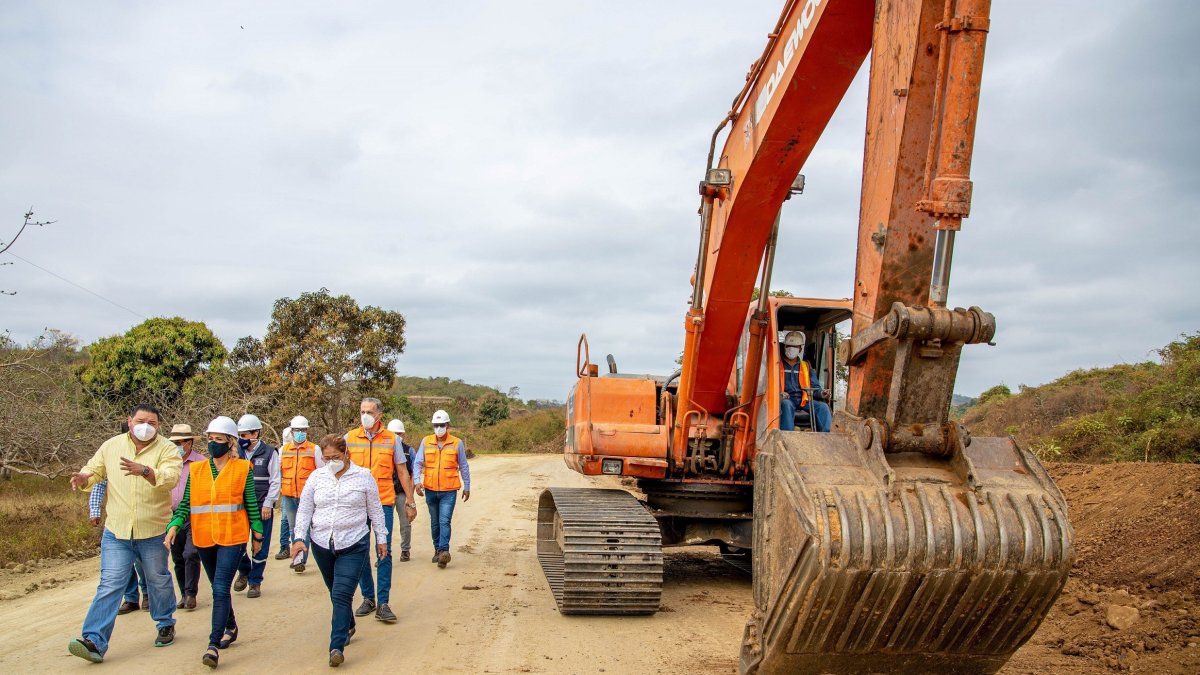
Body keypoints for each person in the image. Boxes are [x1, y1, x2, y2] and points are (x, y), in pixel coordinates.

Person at [67, 404, 182, 663]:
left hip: (153, 530)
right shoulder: (111, 446)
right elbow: (94, 470)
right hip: (117, 531)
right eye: (141, 420)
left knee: (158, 579)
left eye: (152, 422)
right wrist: (83, 478)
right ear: (129, 421)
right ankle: (94, 640)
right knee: (110, 584)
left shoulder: (167, 449)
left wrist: (146, 471)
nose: (146, 426)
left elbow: (171, 477)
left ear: (159, 426)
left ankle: (165, 622)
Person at [165, 416, 264, 669]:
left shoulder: (243, 469)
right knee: (216, 587)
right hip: (204, 538)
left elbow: (251, 505)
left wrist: (258, 535)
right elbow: (186, 504)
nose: (212, 444)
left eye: (218, 440)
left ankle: (212, 644)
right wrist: (174, 525)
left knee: (220, 588)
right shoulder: (197, 470)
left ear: (231, 442)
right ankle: (230, 625)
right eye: (210, 439)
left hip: (232, 538)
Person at [291, 434, 388, 668]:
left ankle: (336, 646)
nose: (331, 461)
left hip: (354, 543)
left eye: (335, 457)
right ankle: (348, 624)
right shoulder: (317, 477)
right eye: (326, 458)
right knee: (334, 590)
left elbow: (375, 510)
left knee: (341, 594)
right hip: (322, 543)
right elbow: (304, 510)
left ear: (346, 454)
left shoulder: (363, 476)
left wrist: (381, 538)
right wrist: (298, 538)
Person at [346, 398, 416, 624]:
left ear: (379, 415)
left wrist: (410, 501)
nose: (364, 414)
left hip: (383, 502)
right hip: (355, 506)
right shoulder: (349, 439)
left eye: (369, 411)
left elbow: (403, 471)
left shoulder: (392, 440)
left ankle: (383, 602)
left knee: (383, 552)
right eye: (362, 411)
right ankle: (368, 597)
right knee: (359, 551)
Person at [413, 409, 471, 569]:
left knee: (444, 520)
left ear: (448, 425)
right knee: (434, 523)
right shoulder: (426, 442)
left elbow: (464, 466)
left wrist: (467, 486)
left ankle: (444, 551)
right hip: (430, 489)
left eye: (442, 425)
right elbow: (418, 463)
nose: (439, 428)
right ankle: (437, 550)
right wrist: (417, 481)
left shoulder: (457, 443)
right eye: (436, 425)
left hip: (449, 490)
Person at [232, 414, 279, 598]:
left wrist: (268, 503)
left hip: (261, 507)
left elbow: (275, 480)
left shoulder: (269, 453)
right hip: (239, 508)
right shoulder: (235, 453)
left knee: (260, 545)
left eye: (246, 435)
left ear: (256, 433)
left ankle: (255, 581)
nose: (242, 439)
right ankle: (244, 570)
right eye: (240, 435)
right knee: (236, 545)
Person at [88, 479, 148, 614]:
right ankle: (131, 598)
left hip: (141, 518)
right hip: (118, 519)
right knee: (120, 563)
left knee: (141, 560)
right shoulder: (110, 458)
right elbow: (99, 484)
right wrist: (95, 510)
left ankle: (147, 592)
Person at [279, 415, 324, 572]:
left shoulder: (314, 449)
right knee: (293, 528)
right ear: (291, 431)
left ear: (307, 431)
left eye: (303, 430)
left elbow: (321, 473)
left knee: (306, 527)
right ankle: (298, 559)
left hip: (308, 497)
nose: (300, 433)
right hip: (289, 495)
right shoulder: (283, 451)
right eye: (297, 430)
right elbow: (279, 473)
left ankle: (301, 559)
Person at [167, 423, 205, 610]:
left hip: (195, 515)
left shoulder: (201, 463)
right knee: (178, 557)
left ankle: (191, 593)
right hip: (172, 516)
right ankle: (183, 593)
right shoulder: (166, 463)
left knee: (191, 553)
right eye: (175, 442)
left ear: (190, 442)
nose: (179, 445)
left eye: (182, 442)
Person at [778, 330, 833, 433]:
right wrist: (778, 394)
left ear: (800, 348)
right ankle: (787, 436)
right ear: (784, 347)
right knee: (786, 405)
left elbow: (815, 387)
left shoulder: (806, 366)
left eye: (795, 347)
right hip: (786, 399)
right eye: (789, 346)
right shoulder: (777, 365)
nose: (792, 349)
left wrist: (822, 393)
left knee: (823, 407)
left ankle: (827, 437)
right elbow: (770, 386)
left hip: (804, 400)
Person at [386, 418, 416, 562]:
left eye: (399, 433)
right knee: (385, 525)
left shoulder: (409, 451)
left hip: (402, 493)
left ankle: (405, 550)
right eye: (393, 433)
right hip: (386, 493)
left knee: (405, 523)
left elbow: (413, 473)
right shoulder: (383, 450)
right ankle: (385, 552)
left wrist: (411, 496)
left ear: (403, 434)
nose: (396, 436)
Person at [274, 426, 294, 561]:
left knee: (288, 520)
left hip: (301, 491)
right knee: (286, 519)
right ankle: (285, 547)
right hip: (287, 491)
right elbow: (277, 472)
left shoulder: (307, 450)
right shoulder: (282, 451)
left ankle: (289, 547)